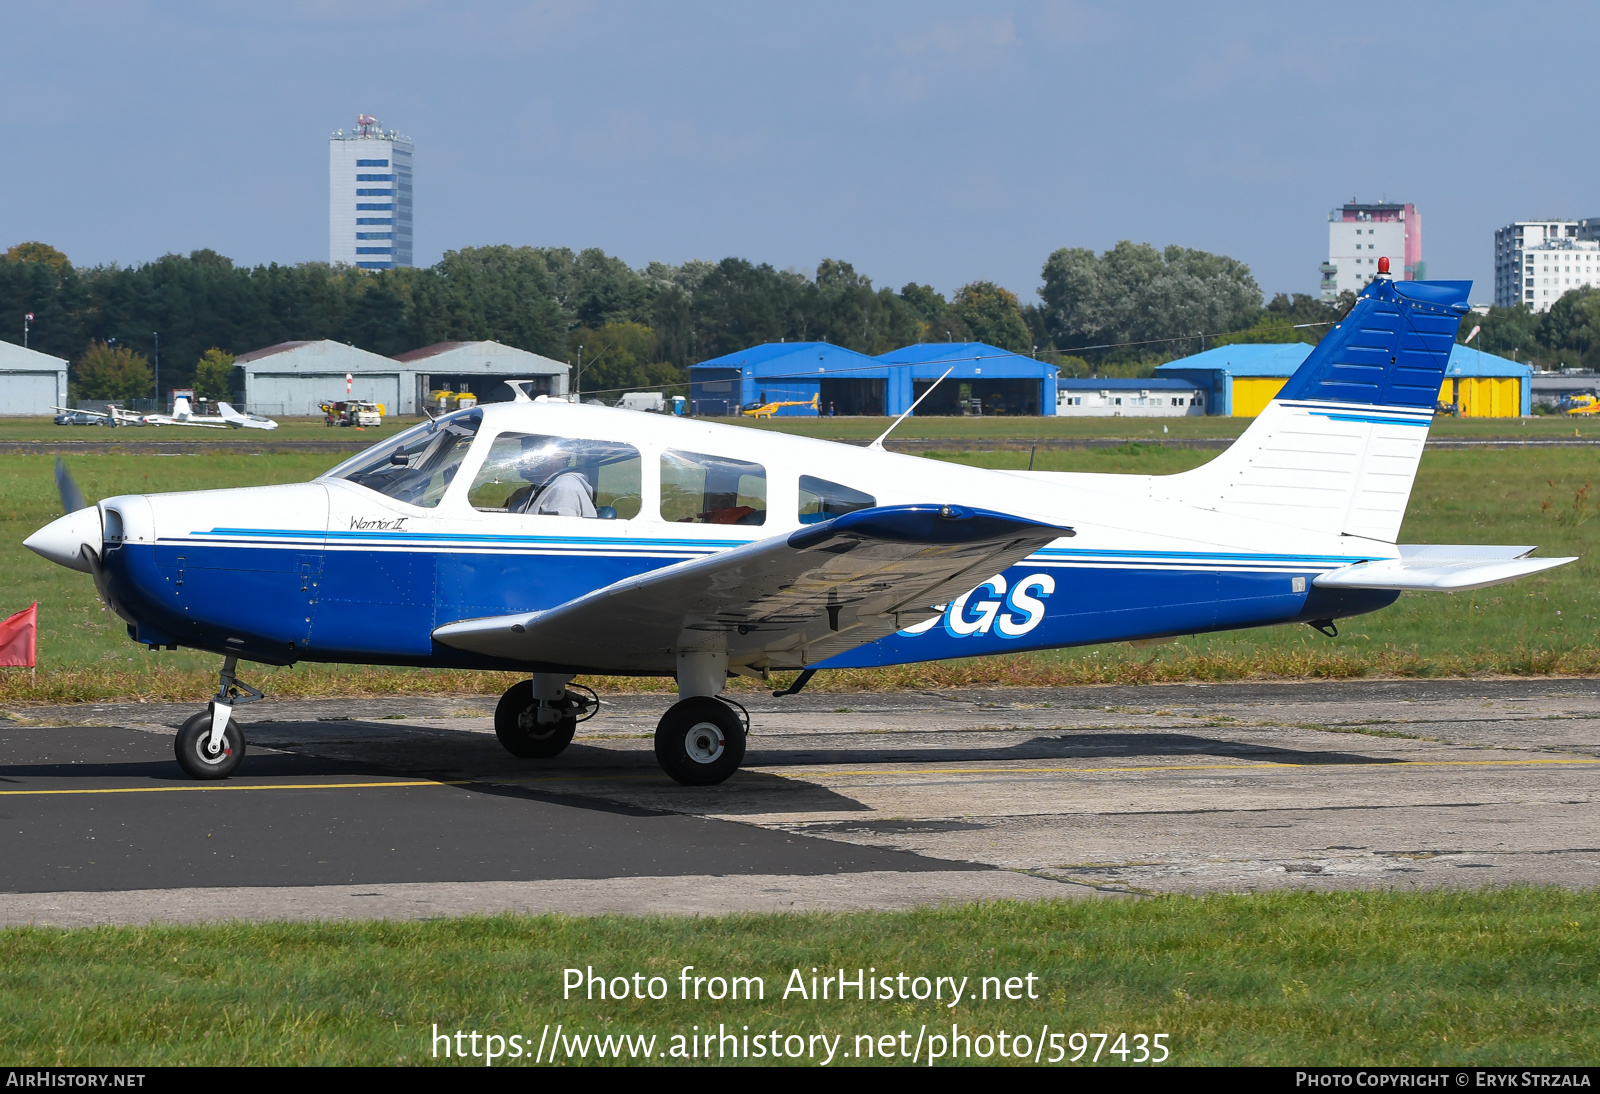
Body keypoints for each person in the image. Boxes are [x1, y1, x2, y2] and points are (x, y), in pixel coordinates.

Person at [504, 448, 596, 517]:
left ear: (560, 458)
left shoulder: (564, 489)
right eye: (524, 448)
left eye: (533, 448)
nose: (523, 458)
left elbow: (558, 540)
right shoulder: (533, 491)